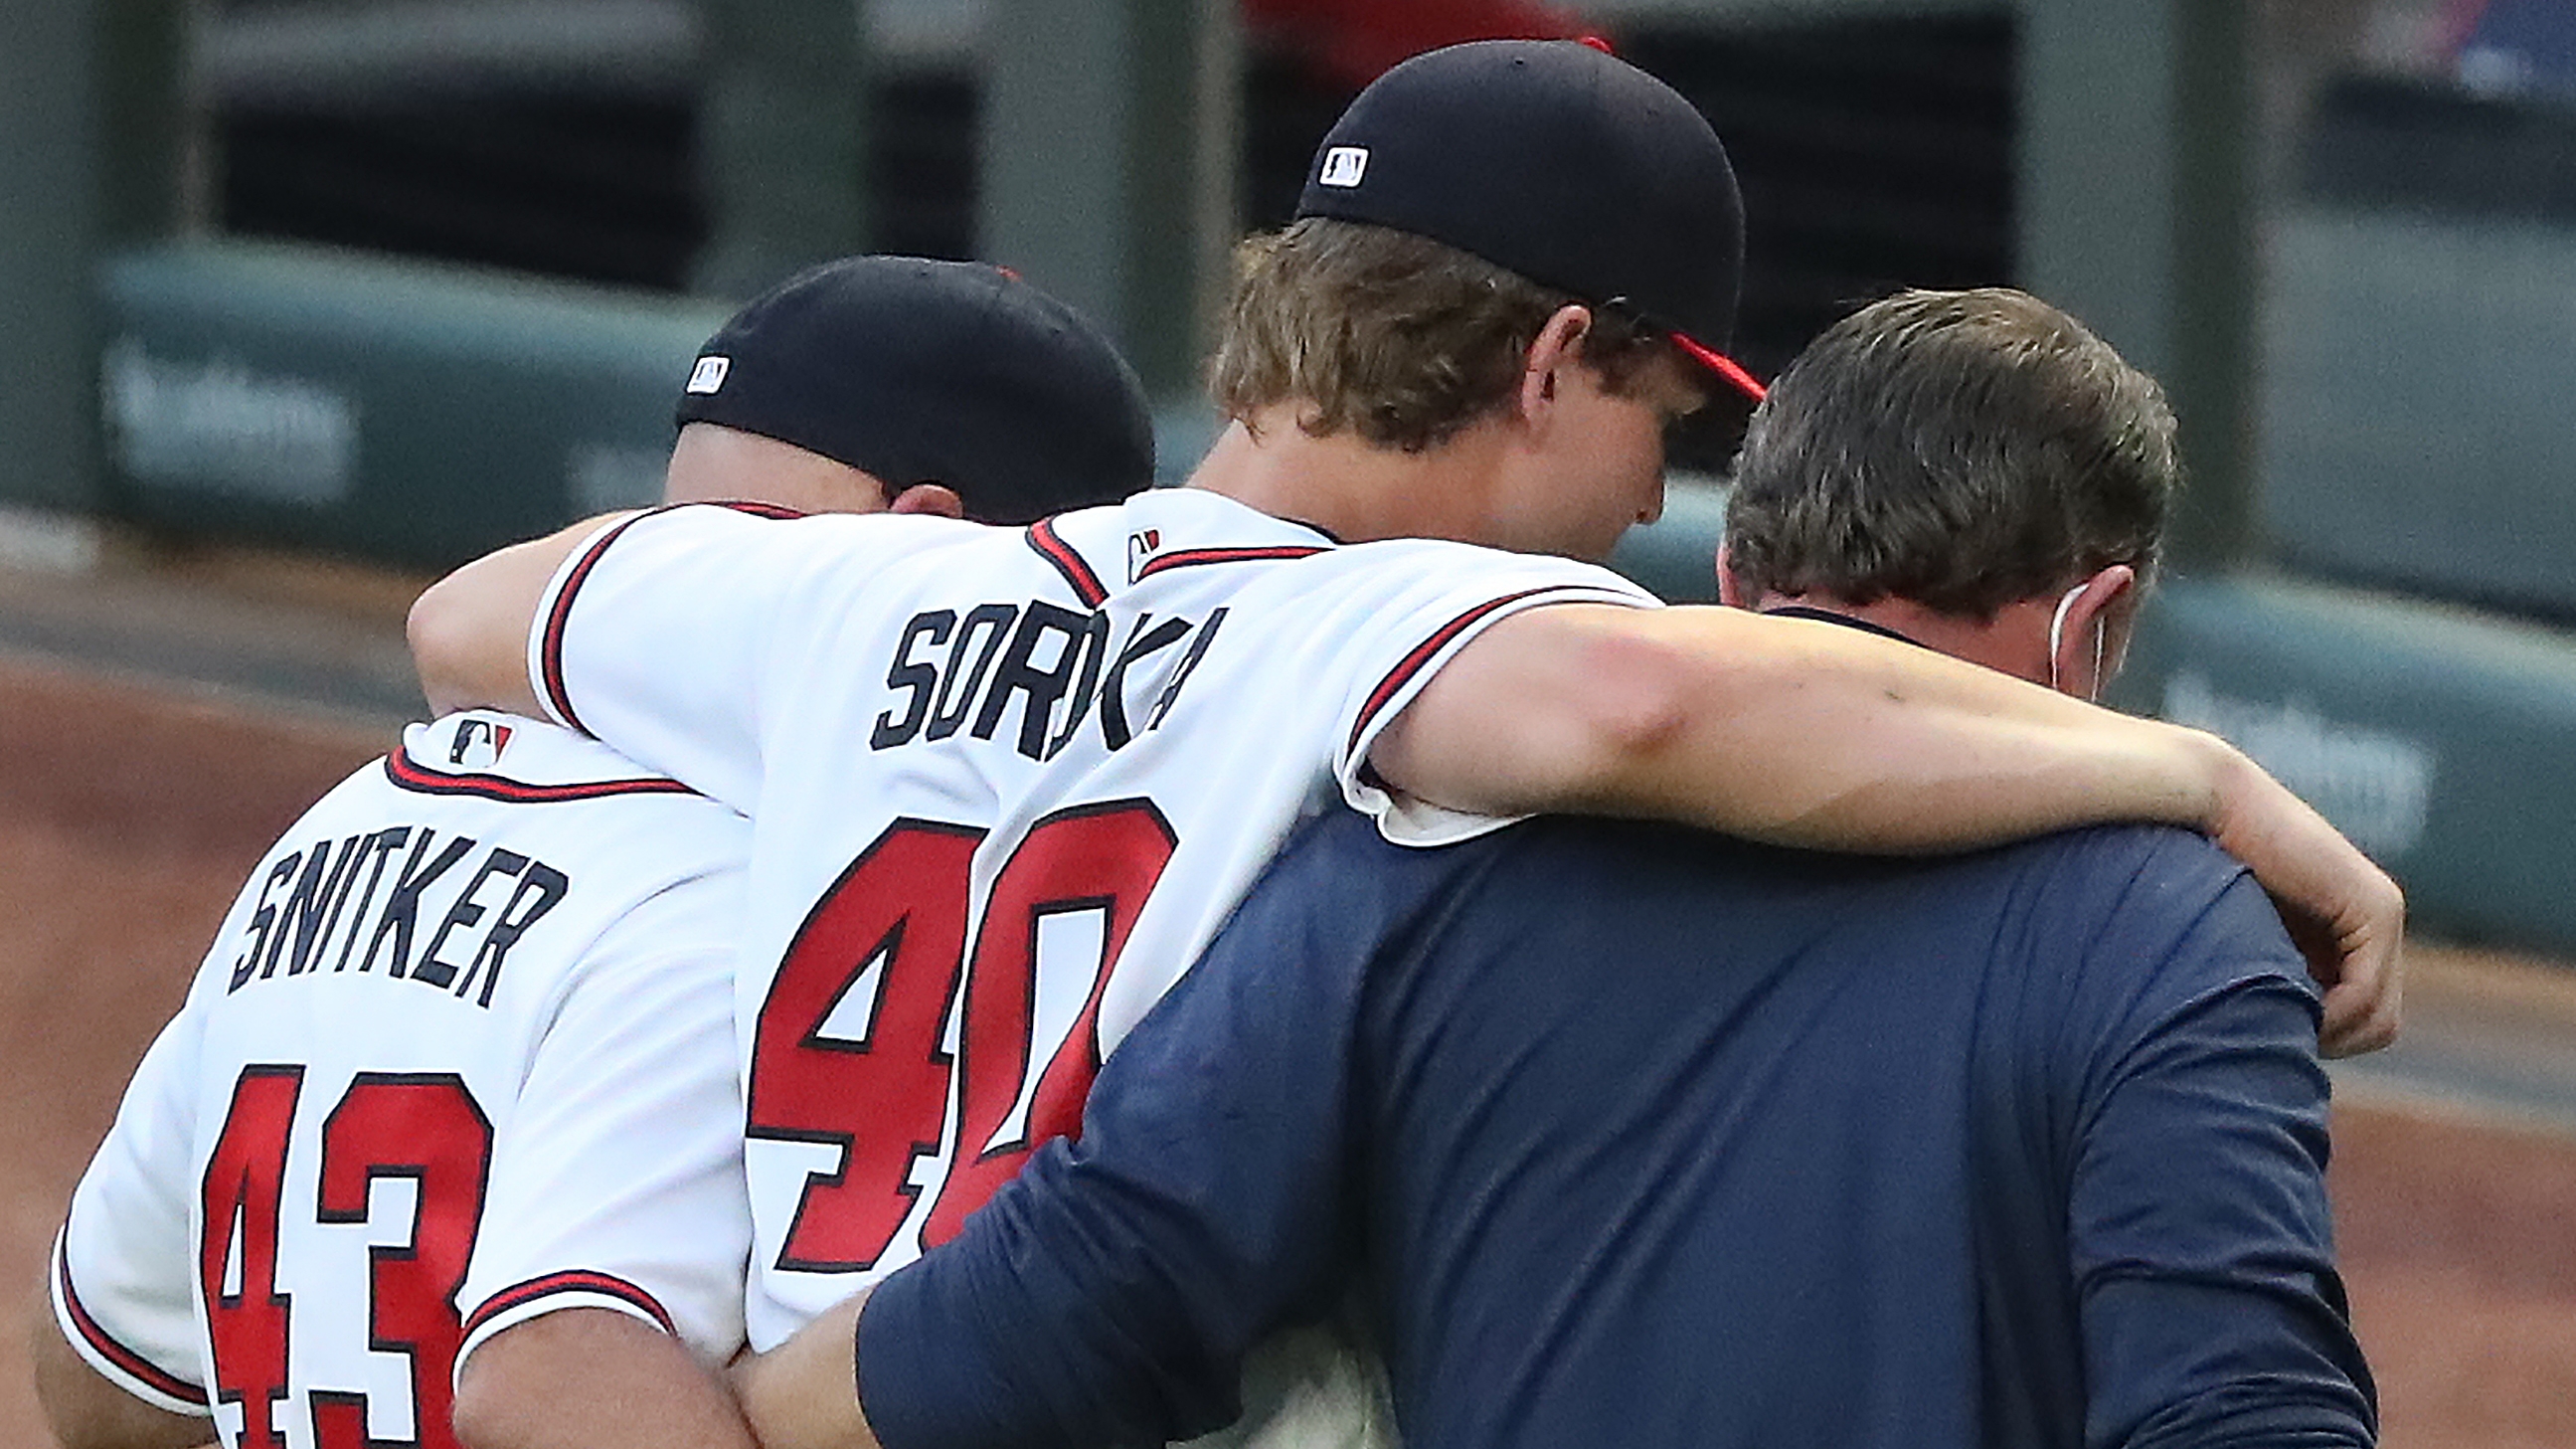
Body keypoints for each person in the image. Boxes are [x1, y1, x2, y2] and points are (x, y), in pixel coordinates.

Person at [402, 33, 2397, 1405]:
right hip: (1082, 1373)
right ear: (1545, 361)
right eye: (1656, 415)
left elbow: (462, 613)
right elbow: (1640, 698)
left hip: (801, 1367)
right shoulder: (1427, 620)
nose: (1646, 497)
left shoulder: (859, 590)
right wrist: (2200, 774)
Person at [739, 287, 2378, 1449]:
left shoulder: (1421, 845)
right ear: (2092, 624)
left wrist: (722, 1410)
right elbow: (2241, 1409)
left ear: (1735, 575)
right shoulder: (2172, 932)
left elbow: (1093, 1294)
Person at [30, 255, 1153, 1449]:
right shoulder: (764, 897)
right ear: (926, 544)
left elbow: (105, 1373)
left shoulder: (348, 826)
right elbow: (555, 1378)